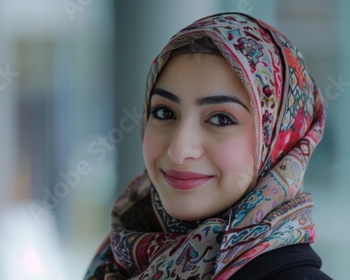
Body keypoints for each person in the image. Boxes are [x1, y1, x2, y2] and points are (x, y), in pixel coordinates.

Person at [84, 12, 331, 279]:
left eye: (221, 118)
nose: (179, 151)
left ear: (279, 142)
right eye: (165, 113)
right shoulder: (118, 257)